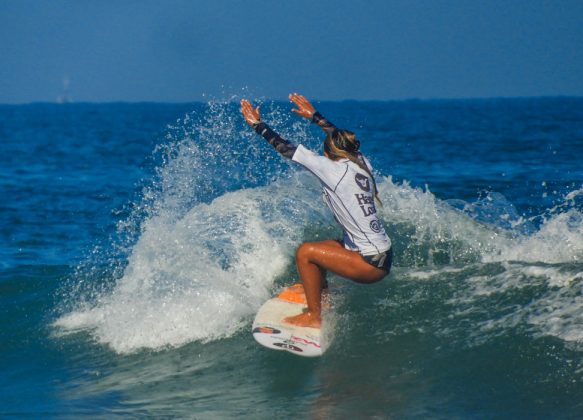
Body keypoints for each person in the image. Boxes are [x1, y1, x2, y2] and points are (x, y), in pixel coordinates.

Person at [241, 93, 392, 328]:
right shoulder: (360, 162)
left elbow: (285, 148)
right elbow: (341, 138)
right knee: (322, 250)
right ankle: (323, 300)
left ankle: (314, 317)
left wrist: (257, 125)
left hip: (369, 264)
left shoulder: (330, 169)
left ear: (328, 155)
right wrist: (315, 117)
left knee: (306, 253)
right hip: (379, 253)